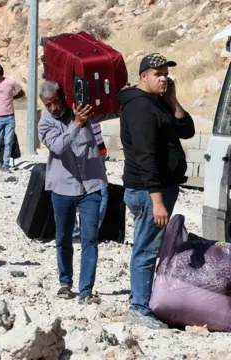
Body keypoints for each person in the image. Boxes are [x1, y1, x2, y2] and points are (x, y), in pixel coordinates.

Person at [118, 53, 195, 329]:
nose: (164, 78)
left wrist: (172, 99)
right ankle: (139, 307)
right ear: (143, 77)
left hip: (159, 189)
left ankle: (142, 299)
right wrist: (157, 200)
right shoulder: (140, 108)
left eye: (166, 73)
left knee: (148, 245)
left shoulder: (157, 103)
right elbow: (144, 156)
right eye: (158, 74)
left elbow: (187, 131)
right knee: (146, 248)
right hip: (148, 191)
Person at [38, 80, 122, 305]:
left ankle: (86, 290)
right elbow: (57, 147)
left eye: (56, 102)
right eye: (48, 105)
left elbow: (108, 110)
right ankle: (65, 282)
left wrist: (121, 95)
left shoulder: (82, 111)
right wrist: (76, 124)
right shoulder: (45, 123)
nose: (54, 108)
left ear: (62, 97)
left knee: (90, 239)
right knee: (63, 237)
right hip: (62, 187)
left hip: (92, 185)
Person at [0, 64, 25, 171]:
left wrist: (12, 98)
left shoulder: (10, 82)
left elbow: (21, 93)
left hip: (9, 117)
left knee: (8, 142)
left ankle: (5, 165)